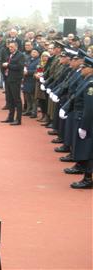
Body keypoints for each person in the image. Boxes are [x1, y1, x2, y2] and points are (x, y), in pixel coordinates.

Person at [68, 56, 93, 189]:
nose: (81, 69)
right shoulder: (87, 80)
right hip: (86, 119)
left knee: (88, 150)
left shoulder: (91, 84)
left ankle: (88, 178)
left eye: (84, 67)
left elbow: (89, 108)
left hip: (88, 122)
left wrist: (84, 126)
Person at [1, 41, 25, 125]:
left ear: (16, 47)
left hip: (15, 80)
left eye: (11, 47)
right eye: (9, 47)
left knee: (17, 99)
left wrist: (8, 65)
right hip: (8, 79)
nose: (10, 48)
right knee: (10, 99)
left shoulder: (20, 55)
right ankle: (10, 117)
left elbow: (19, 66)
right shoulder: (10, 55)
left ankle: (18, 119)